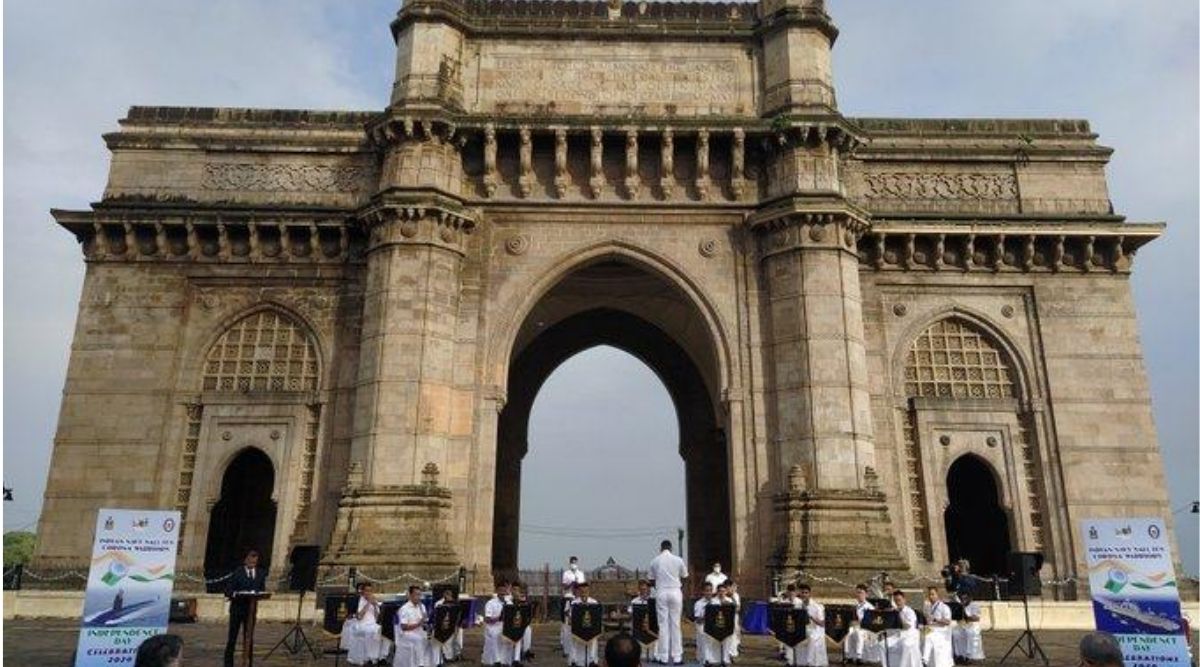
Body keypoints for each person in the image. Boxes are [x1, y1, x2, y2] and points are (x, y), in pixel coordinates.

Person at [223, 548, 268, 667]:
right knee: (232, 637)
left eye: (255, 561)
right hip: (237, 610)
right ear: (246, 560)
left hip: (250, 610)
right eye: (251, 560)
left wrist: (258, 594)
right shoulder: (237, 572)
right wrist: (236, 594)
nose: (252, 563)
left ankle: (248, 663)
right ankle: (228, 664)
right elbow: (228, 590)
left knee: (249, 638)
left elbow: (261, 589)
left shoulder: (261, 574)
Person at [648, 539, 688, 665]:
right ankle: (677, 657)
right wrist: (681, 589)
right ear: (671, 548)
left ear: (661, 548)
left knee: (663, 625)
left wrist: (659, 588)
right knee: (675, 624)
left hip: (661, 592)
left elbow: (651, 580)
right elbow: (685, 577)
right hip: (675, 591)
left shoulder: (655, 560)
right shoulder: (678, 560)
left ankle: (663, 657)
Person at [341, 581, 391, 666]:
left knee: (386, 633)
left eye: (370, 591)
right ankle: (371, 658)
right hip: (361, 624)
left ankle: (382, 657)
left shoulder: (374, 601)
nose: (369, 593)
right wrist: (368, 603)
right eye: (367, 591)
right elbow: (359, 617)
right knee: (372, 632)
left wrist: (375, 605)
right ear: (363, 591)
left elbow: (377, 618)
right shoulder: (359, 601)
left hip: (373, 624)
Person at [844, 584, 880, 665]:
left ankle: (859, 656)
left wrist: (859, 622)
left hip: (866, 629)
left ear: (866, 594)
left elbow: (871, 621)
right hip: (856, 626)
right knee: (849, 632)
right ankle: (849, 656)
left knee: (858, 633)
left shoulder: (869, 607)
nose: (858, 595)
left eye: (861, 593)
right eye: (857, 593)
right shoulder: (856, 606)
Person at [568, 581, 601, 667]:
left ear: (588, 591)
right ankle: (574, 660)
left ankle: (592, 660)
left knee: (593, 641)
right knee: (575, 642)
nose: (584, 593)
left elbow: (597, 616)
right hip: (578, 629)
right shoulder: (574, 603)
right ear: (579, 591)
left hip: (591, 628)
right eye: (582, 591)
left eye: (585, 591)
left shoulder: (594, 602)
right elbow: (570, 617)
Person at [395, 585, 429, 667]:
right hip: (407, 633)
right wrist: (419, 624)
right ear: (410, 595)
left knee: (431, 638)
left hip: (419, 630)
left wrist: (425, 623)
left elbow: (425, 621)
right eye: (416, 595)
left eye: (419, 595)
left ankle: (428, 663)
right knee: (419, 639)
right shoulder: (404, 609)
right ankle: (419, 664)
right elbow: (404, 627)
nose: (418, 597)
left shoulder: (422, 606)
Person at [885, 590, 920, 667]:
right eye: (895, 601)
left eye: (899, 600)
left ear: (904, 600)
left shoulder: (909, 612)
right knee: (882, 645)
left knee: (905, 645)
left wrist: (898, 616)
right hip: (897, 636)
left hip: (909, 636)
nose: (898, 603)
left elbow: (908, 626)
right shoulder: (895, 611)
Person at [796, 584, 827, 667]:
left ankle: (810, 662)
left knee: (811, 636)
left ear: (809, 594)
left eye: (806, 593)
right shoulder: (798, 606)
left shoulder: (817, 606)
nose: (804, 595)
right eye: (802, 592)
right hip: (802, 628)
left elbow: (822, 623)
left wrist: (810, 616)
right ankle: (797, 661)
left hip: (815, 629)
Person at [921, 587, 953, 667]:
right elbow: (926, 618)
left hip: (940, 630)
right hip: (930, 628)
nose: (931, 596)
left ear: (937, 595)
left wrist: (936, 619)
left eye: (933, 594)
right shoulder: (927, 606)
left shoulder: (944, 607)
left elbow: (947, 622)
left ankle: (925, 660)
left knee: (928, 637)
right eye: (929, 595)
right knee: (918, 635)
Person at [951, 591, 984, 664]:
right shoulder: (961, 606)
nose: (964, 600)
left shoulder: (974, 605)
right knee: (955, 632)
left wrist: (967, 617)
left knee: (968, 632)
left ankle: (969, 655)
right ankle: (959, 654)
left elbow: (977, 618)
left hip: (973, 625)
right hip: (963, 625)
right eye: (962, 599)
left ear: (970, 598)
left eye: (965, 599)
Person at [628, 579, 657, 662]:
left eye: (644, 589)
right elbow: (630, 613)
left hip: (651, 627)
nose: (643, 591)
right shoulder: (634, 601)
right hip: (638, 627)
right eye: (641, 589)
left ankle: (654, 656)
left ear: (648, 589)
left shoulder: (654, 601)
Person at [483, 580, 510, 667]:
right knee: (495, 634)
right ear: (497, 591)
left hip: (506, 626)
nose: (502, 592)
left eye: (504, 590)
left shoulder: (509, 603)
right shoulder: (490, 603)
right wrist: (499, 618)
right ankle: (496, 660)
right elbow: (487, 619)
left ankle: (509, 660)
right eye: (500, 590)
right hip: (493, 626)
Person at [563, 557, 586, 655]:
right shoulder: (566, 573)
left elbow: (583, 586)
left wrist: (578, 585)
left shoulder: (580, 574)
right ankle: (565, 646)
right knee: (567, 623)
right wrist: (571, 583)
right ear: (569, 563)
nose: (574, 564)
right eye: (572, 562)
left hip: (579, 598)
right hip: (569, 597)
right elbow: (564, 586)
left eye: (575, 562)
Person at [693, 582, 719, 666]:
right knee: (704, 634)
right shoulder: (698, 603)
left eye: (710, 590)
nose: (709, 593)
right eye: (707, 591)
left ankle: (714, 658)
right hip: (702, 625)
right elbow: (698, 619)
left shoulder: (716, 603)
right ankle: (706, 660)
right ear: (703, 592)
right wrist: (708, 614)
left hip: (713, 625)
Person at [435, 587, 464, 663]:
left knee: (456, 641)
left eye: (449, 594)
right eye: (446, 594)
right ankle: (448, 657)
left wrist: (458, 626)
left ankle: (456, 655)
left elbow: (460, 616)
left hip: (456, 626)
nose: (447, 596)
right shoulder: (441, 604)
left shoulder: (457, 604)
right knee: (447, 642)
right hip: (446, 626)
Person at [726, 580, 742, 660]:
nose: (732, 589)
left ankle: (733, 653)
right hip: (725, 618)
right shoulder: (722, 594)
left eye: (733, 587)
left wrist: (732, 597)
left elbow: (737, 608)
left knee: (734, 635)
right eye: (731, 587)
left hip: (734, 617)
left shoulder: (735, 595)